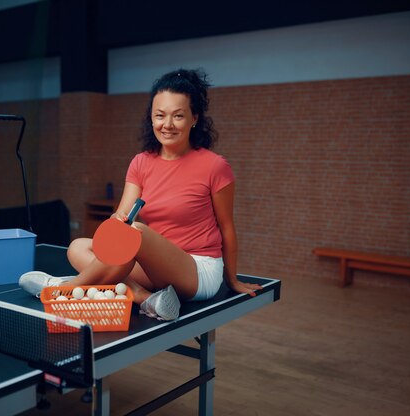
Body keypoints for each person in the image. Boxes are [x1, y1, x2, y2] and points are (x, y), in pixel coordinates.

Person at [20, 68, 262, 321]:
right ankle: (145, 297)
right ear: (151, 117)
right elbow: (122, 215)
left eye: (178, 116)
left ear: (194, 119)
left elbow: (227, 227)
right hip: (154, 269)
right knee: (78, 246)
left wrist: (232, 280)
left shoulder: (215, 166)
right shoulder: (141, 162)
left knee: (136, 234)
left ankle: (63, 290)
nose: (167, 125)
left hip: (197, 271)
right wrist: (117, 223)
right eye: (160, 115)